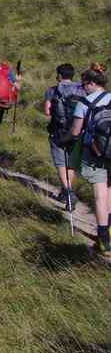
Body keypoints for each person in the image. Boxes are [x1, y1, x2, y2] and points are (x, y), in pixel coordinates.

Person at [71, 63, 111, 252]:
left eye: (84, 84)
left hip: (95, 153)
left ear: (92, 84)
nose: (83, 88)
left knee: (100, 193)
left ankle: (103, 238)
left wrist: (67, 140)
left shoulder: (85, 103)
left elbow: (76, 132)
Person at [44, 64, 86, 203]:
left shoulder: (52, 90)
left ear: (60, 75)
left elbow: (47, 111)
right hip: (77, 131)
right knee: (71, 162)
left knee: (61, 163)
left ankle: (68, 192)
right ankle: (66, 190)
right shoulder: (82, 89)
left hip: (58, 131)